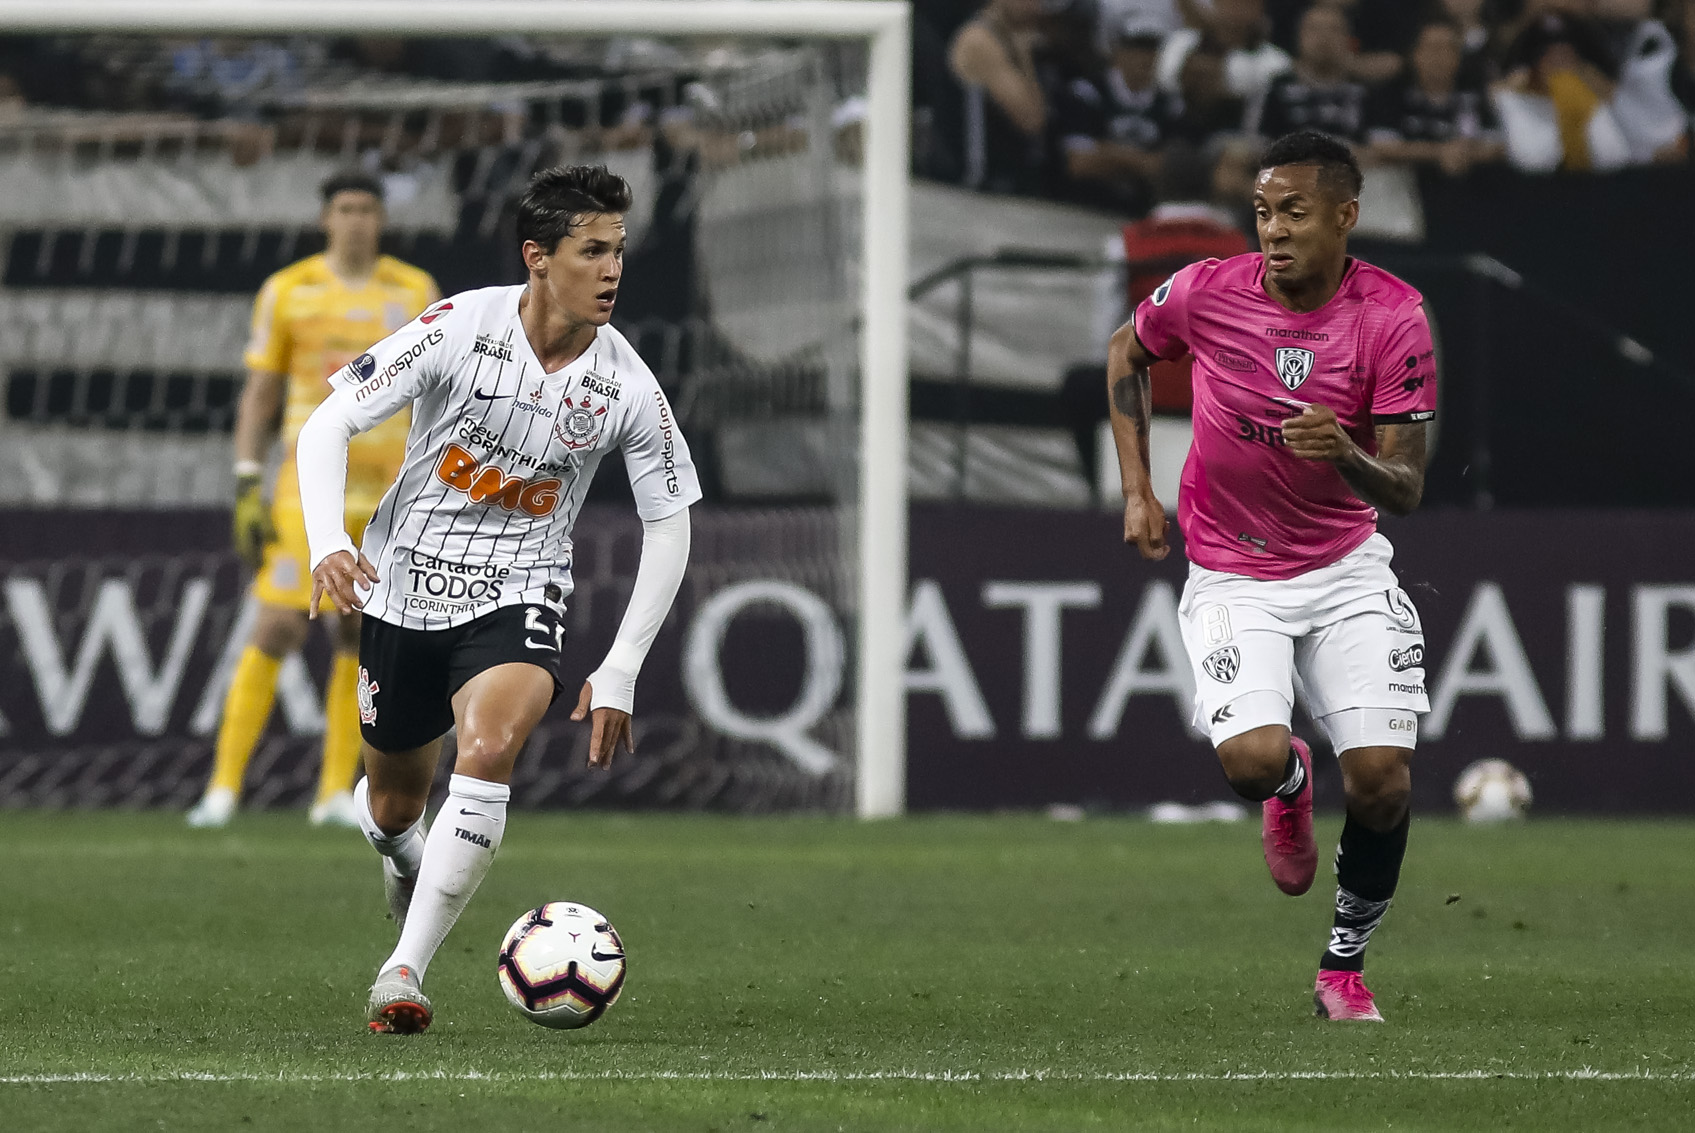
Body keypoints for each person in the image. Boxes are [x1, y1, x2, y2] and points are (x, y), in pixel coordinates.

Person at [296, 165, 700, 1033]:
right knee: (395, 806)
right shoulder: (456, 325)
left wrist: (621, 665)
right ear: (538, 257)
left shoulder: (627, 386)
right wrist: (329, 540)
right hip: (401, 587)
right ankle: (406, 855)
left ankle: (402, 970)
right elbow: (328, 422)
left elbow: (669, 522)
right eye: (591, 250)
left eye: (618, 250)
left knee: (484, 748)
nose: (612, 269)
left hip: (520, 592)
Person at [1105, 131, 1436, 1022]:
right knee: (1250, 763)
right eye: (1261, 212)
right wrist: (1138, 490)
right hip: (1232, 571)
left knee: (1381, 780)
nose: (1274, 230)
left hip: (1344, 567)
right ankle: (1289, 784)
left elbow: (1404, 488)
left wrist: (1346, 456)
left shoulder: (1391, 316)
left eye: (1294, 211)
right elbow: (1124, 354)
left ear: (1344, 215)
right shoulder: (1208, 292)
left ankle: (1342, 965)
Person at [186, 171, 438, 830]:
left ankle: (332, 790)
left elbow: (439, 392)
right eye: (344, 209)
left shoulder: (413, 291)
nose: (355, 220)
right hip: (309, 487)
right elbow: (261, 391)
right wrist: (246, 475)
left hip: (389, 489)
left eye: (366, 209)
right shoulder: (288, 290)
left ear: (381, 220)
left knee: (359, 629)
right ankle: (223, 788)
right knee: (278, 622)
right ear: (325, 218)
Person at [1053, 19, 1182, 212]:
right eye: (1136, 47)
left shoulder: (1171, 104)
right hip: (1083, 207)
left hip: (1143, 211)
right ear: (1117, 51)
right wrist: (1141, 162)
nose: (1145, 57)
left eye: (1153, 49)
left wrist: (1106, 151)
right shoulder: (1086, 92)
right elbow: (1079, 163)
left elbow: (1169, 169)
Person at [1365, 19, 1506, 175]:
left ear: (1458, 57)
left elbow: (1496, 145)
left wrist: (1465, 153)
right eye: (1432, 48)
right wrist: (1438, 153)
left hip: (1470, 183)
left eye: (1448, 48)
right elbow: (1382, 146)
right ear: (1415, 55)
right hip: (1408, 183)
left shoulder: (1475, 96)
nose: (1439, 56)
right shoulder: (1392, 94)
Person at [1255, 4, 1369, 141]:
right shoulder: (1276, 88)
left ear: (1348, 39)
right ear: (1299, 37)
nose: (1324, 37)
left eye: (1334, 30)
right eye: (1314, 29)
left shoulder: (1366, 92)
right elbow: (1257, 142)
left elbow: (1379, 145)